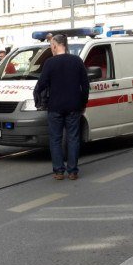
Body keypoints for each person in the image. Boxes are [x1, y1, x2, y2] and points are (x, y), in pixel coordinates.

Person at [33, 34, 89, 180]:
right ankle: (72, 171)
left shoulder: (50, 63)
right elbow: (85, 85)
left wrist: (40, 99)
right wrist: (83, 104)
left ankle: (58, 171)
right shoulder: (77, 61)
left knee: (56, 139)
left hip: (55, 107)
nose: (51, 47)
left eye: (51, 45)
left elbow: (42, 84)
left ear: (56, 45)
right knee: (73, 138)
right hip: (74, 106)